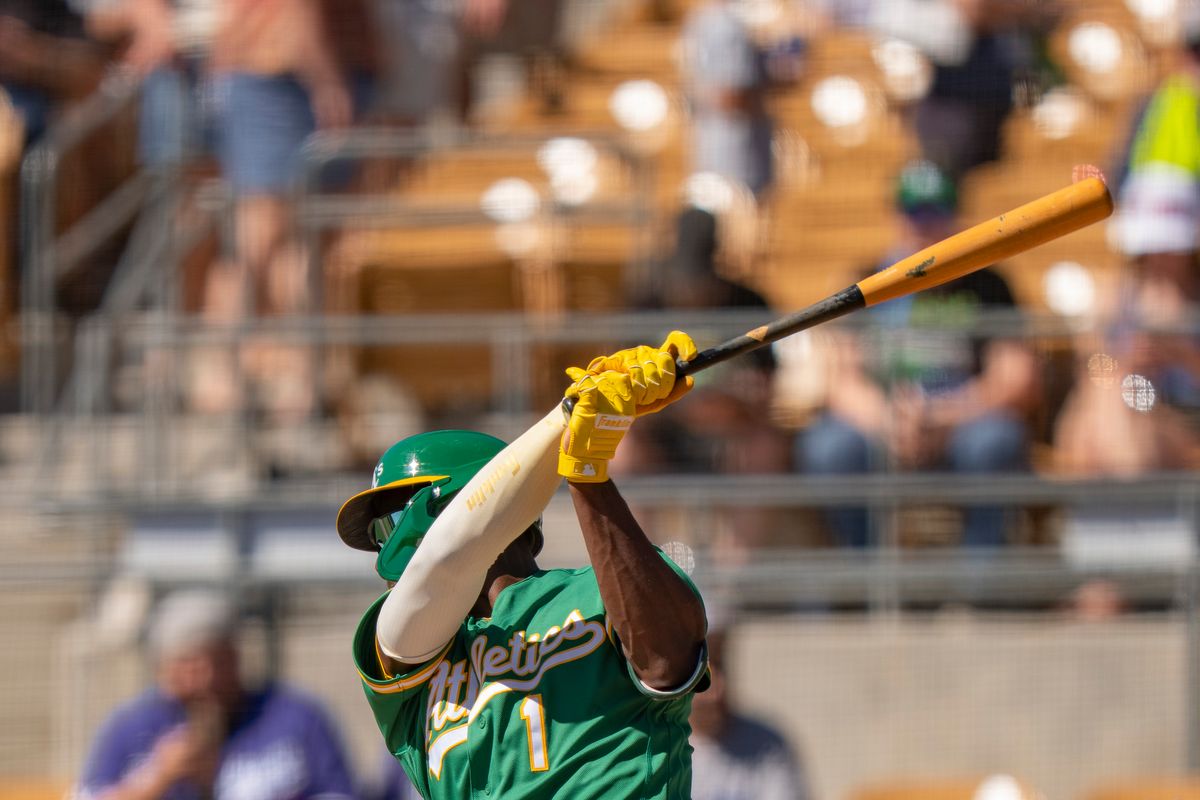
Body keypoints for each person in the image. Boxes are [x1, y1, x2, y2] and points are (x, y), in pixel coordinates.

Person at [336, 333, 709, 798]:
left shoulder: (602, 588)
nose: (381, 552)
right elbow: (447, 559)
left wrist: (588, 473)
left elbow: (665, 660)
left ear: (449, 500)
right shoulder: (403, 657)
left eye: (387, 524)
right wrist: (568, 419)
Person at [796, 160, 1041, 547]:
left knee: (996, 442)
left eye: (935, 212)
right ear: (896, 215)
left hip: (961, 420)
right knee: (830, 448)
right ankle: (865, 581)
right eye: (914, 212)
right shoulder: (865, 280)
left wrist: (942, 417)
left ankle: (977, 593)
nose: (923, 225)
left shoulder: (989, 286)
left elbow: (1016, 378)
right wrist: (892, 421)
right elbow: (842, 381)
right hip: (883, 421)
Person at [74, 589, 357, 800]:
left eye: (216, 663)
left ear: (236, 659)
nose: (205, 680)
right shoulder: (131, 726)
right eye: (188, 666)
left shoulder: (296, 716)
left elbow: (338, 792)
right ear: (162, 669)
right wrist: (158, 775)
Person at [690, 625, 809, 800]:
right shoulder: (658, 752)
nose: (717, 691)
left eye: (720, 666)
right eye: (703, 679)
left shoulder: (768, 744)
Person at [681, 0, 774, 197]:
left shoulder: (701, 20)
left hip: (714, 148)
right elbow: (732, 94)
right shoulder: (729, 25)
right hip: (735, 152)